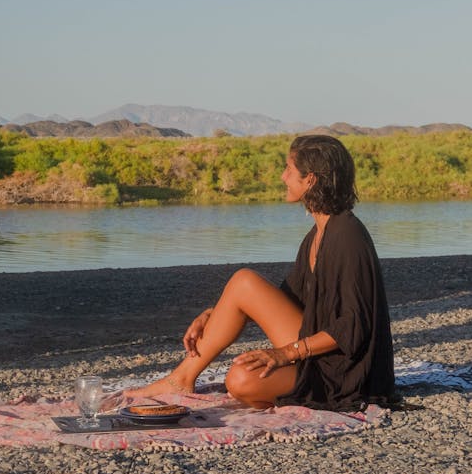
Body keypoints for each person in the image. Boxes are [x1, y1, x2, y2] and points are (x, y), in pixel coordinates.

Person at [130, 134, 395, 411]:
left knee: (241, 379)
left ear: (311, 180)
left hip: (347, 371)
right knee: (244, 282)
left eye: (289, 170)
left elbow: (355, 324)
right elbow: (285, 299)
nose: (283, 177)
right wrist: (214, 313)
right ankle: (179, 379)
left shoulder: (347, 236)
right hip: (320, 349)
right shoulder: (318, 233)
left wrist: (284, 354)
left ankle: (184, 379)